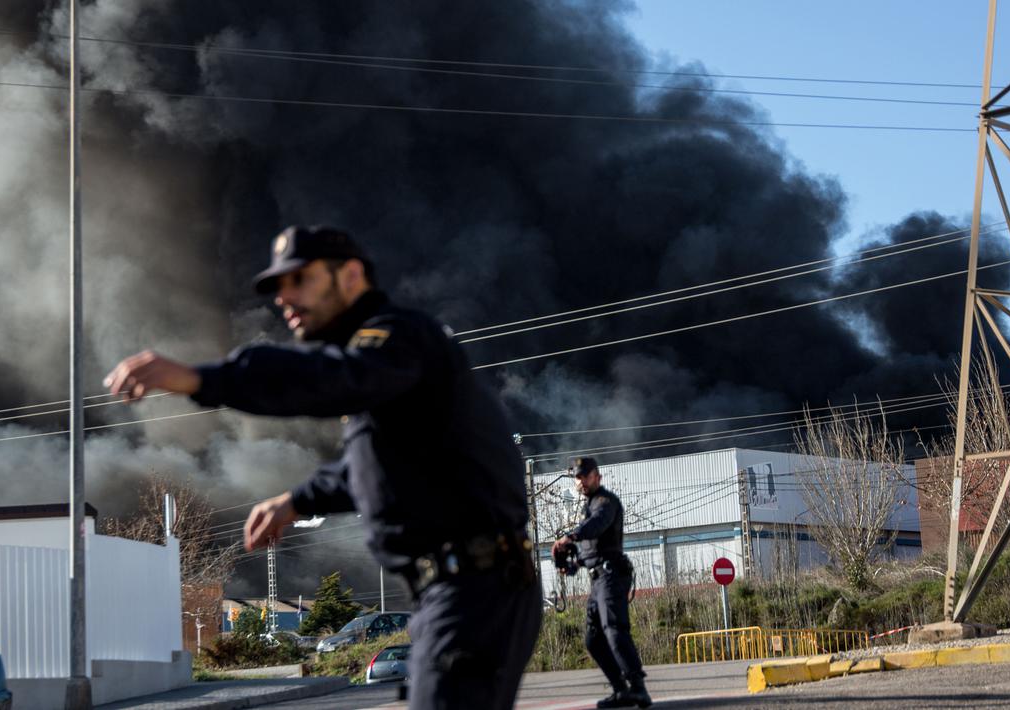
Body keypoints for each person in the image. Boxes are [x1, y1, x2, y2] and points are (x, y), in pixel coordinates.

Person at [105, 225, 541, 709]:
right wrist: (296, 501)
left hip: (474, 589)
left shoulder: (397, 339)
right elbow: (370, 467)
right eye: (277, 288)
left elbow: (331, 380)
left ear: (351, 274)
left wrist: (200, 379)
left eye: (300, 280)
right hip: (462, 591)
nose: (284, 299)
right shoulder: (383, 368)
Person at [552, 457, 651, 709]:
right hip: (599, 578)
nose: (581, 481)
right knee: (593, 639)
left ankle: (638, 688)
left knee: (614, 630)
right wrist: (572, 565)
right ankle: (621, 690)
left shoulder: (605, 503)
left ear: (598, 476)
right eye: (578, 477)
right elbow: (591, 549)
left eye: (586, 475)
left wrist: (570, 536)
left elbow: (596, 525)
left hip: (612, 575)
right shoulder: (589, 507)